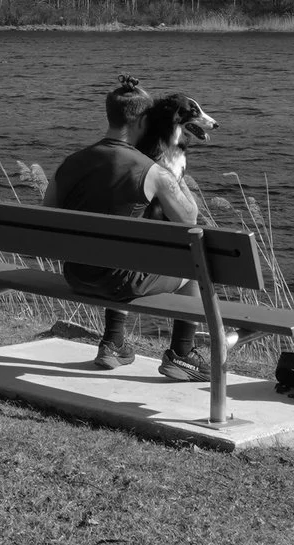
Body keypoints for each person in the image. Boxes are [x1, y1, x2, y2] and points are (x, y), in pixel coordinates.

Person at [45, 81, 223, 378]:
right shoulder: (152, 171)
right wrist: (175, 172)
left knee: (120, 255)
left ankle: (113, 343)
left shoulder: (70, 163)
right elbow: (189, 219)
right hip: (119, 282)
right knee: (195, 262)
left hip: (76, 275)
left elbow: (47, 213)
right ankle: (181, 354)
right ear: (142, 121)